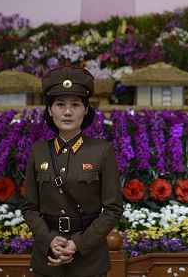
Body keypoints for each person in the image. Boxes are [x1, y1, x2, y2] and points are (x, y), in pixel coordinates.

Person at [21, 65, 123, 277]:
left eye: (75, 104)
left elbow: (113, 209)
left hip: (89, 260)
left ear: (86, 110)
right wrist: (49, 240)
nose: (67, 112)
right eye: (60, 104)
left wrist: (78, 244)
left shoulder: (102, 151)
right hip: (47, 259)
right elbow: (29, 207)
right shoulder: (39, 151)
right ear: (50, 109)